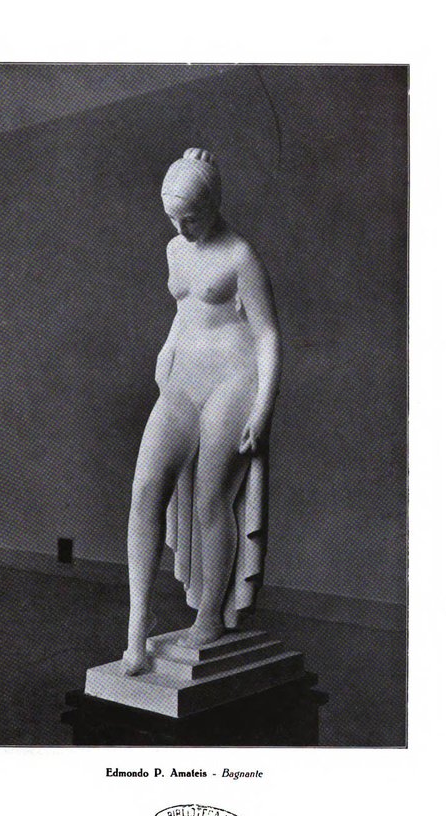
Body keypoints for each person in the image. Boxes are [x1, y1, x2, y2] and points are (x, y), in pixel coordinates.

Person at [122, 148, 281, 675]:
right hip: (183, 379)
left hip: (233, 381)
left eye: (189, 218)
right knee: (146, 489)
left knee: (212, 499)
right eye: (173, 218)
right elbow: (185, 310)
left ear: (213, 204)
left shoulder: (241, 257)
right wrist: (167, 348)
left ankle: (210, 615)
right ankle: (137, 625)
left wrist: (263, 407)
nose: (181, 229)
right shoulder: (175, 248)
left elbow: (267, 335)